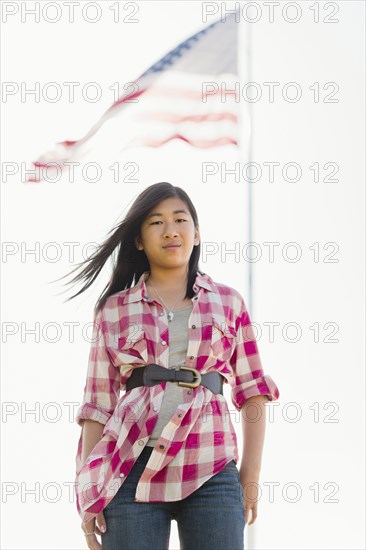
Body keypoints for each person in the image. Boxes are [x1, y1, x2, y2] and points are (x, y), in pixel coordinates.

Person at [65, 182, 280, 550]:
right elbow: (96, 406)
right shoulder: (114, 310)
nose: (170, 230)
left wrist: (250, 477)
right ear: (138, 240)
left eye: (180, 219)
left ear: (196, 234)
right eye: (156, 222)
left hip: (212, 468)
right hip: (129, 468)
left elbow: (253, 391)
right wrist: (88, 492)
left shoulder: (229, 303)